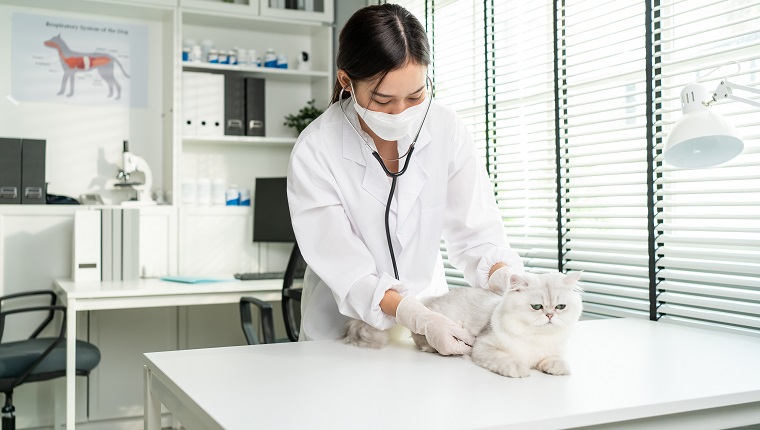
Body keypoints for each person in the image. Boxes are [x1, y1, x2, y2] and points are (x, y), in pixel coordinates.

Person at [287, 3, 523, 355]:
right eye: (383, 100)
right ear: (346, 82)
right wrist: (413, 314)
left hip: (435, 323)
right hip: (343, 333)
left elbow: (477, 236)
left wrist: (508, 278)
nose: (401, 113)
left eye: (415, 96)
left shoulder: (446, 128)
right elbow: (347, 268)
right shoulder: (315, 149)